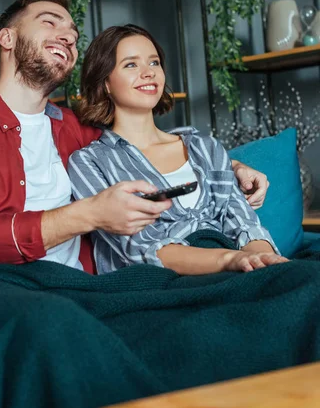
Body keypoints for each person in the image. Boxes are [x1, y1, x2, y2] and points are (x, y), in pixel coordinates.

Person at [0, 0, 270, 298]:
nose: (68, 37)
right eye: (50, 22)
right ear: (7, 38)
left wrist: (233, 165)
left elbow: (142, 144)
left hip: (83, 290)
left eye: (72, 34)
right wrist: (88, 214)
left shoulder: (75, 131)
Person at [68, 24, 288, 275]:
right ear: (105, 82)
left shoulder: (205, 148)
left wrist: (267, 263)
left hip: (236, 269)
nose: (148, 73)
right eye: (131, 64)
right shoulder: (90, 162)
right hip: (159, 283)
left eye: (154, 63)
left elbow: (243, 223)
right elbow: (140, 246)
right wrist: (229, 260)